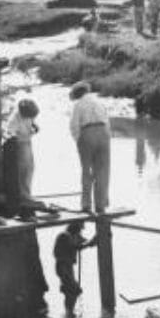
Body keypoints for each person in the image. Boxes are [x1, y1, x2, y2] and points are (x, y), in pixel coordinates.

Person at [69, 81, 111, 213]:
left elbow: (74, 125)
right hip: (103, 132)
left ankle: (86, 205)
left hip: (87, 132)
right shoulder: (100, 102)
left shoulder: (78, 104)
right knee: (103, 170)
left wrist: (79, 140)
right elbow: (108, 123)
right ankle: (101, 204)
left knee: (86, 170)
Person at [2, 98, 40, 218]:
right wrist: (14, 137)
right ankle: (24, 197)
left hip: (27, 143)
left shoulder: (29, 115)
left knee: (30, 169)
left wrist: (34, 127)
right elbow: (9, 133)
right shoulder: (14, 118)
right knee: (23, 171)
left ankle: (27, 194)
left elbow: (32, 122)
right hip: (19, 145)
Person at [53, 221, 96, 305]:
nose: (80, 231)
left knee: (72, 290)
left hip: (69, 266)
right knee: (71, 288)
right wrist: (89, 243)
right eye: (79, 229)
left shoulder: (75, 235)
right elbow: (76, 247)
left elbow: (85, 242)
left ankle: (70, 313)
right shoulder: (64, 236)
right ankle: (69, 313)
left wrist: (95, 240)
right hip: (62, 266)